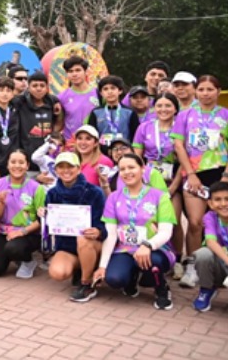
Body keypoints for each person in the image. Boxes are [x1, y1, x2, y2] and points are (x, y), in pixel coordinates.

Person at [92, 153, 176, 310]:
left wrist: (148, 245)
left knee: (155, 262)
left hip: (155, 249)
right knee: (114, 279)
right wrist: (102, 266)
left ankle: (161, 289)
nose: (127, 172)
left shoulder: (160, 197)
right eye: (122, 169)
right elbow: (110, 235)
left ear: (142, 169)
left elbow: (166, 232)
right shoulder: (114, 198)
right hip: (125, 248)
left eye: (132, 167)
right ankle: (132, 277)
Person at [172, 75, 228, 289]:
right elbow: (179, 146)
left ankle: (220, 265)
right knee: (196, 223)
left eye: (209, 89)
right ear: (196, 92)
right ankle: (192, 266)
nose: (205, 93)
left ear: (217, 91)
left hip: (220, 174)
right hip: (194, 175)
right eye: (202, 89)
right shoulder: (185, 116)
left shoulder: (225, 115)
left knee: (222, 221)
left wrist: (225, 177)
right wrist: (191, 174)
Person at [44, 152, 106, 302]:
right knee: (57, 273)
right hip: (67, 248)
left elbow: (106, 223)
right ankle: (82, 268)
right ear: (56, 170)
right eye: (61, 167)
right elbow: (49, 226)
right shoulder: (52, 194)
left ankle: (86, 284)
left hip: (91, 244)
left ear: (78, 169)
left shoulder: (95, 192)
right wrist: (44, 215)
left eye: (70, 166)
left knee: (82, 240)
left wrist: (98, 231)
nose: (66, 170)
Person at [133, 92, 183, 276]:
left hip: (173, 182)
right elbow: (137, 156)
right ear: (154, 108)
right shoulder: (144, 128)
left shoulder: (181, 128)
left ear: (175, 108)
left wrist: (173, 187)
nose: (163, 109)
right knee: (147, 219)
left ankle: (177, 259)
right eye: (159, 106)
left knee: (172, 220)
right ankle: (148, 255)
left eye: (168, 106)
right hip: (148, 182)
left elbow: (185, 160)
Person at [0, 150, 45, 279]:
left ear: (27, 165)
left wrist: (21, 232)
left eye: (21, 162)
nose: (17, 166)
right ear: (7, 165)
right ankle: (13, 258)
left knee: (13, 248)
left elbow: (40, 220)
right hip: (3, 230)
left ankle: (27, 261)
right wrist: (1, 203)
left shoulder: (37, 188)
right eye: (13, 162)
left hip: (28, 232)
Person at [191, 181, 228, 312]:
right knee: (203, 254)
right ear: (210, 204)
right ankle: (206, 290)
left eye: (227, 199)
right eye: (218, 200)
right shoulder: (210, 217)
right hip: (220, 264)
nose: (223, 204)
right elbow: (211, 242)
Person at [14, 71, 62, 158]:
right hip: (26, 158)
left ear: (47, 88)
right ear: (28, 87)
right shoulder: (20, 102)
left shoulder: (52, 103)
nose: (39, 88)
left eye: (42, 85)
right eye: (35, 85)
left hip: (47, 158)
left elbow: (59, 122)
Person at [86, 75, 138, 153]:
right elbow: (91, 135)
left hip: (124, 152)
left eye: (113, 88)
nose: (109, 92)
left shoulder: (130, 112)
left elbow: (135, 136)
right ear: (101, 93)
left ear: (120, 91)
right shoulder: (95, 112)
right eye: (105, 89)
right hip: (101, 153)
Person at [58, 56, 100, 142]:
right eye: (70, 71)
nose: (74, 74)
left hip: (95, 143)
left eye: (78, 70)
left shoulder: (99, 94)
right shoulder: (61, 97)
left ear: (85, 72)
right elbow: (59, 123)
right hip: (71, 145)